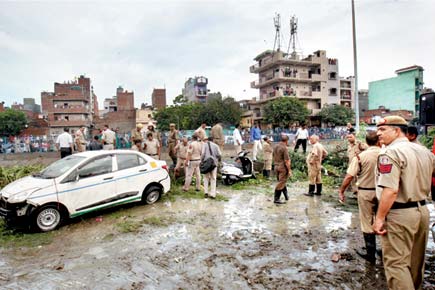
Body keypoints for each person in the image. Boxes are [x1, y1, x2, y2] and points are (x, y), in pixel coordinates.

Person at [373, 116, 435, 289]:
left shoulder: (390, 152)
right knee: (416, 262)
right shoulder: (424, 151)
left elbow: (390, 190)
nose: (378, 133)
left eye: (383, 130)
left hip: (399, 214)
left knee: (396, 264)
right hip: (422, 210)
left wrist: (379, 218)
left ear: (397, 130)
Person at [338, 131, 381, 263]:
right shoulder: (387, 154)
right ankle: (386, 250)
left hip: (366, 192)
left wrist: (341, 191)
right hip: (384, 193)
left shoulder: (361, 157)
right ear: (379, 141)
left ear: (366, 142)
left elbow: (349, 176)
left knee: (367, 221)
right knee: (385, 220)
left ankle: (370, 254)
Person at [346, 129, 368, 194]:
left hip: (359, 165)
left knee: (359, 179)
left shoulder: (359, 144)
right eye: (348, 137)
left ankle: (360, 192)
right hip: (351, 165)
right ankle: (355, 192)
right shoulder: (349, 146)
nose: (349, 139)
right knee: (352, 179)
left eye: (350, 137)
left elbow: (367, 150)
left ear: (354, 137)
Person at [273, 134, 292, 204]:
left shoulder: (275, 146)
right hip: (282, 167)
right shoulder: (284, 148)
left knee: (281, 181)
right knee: (281, 182)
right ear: (287, 141)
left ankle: (286, 196)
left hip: (276, 166)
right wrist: (289, 170)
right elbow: (287, 161)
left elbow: (273, 156)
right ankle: (276, 199)